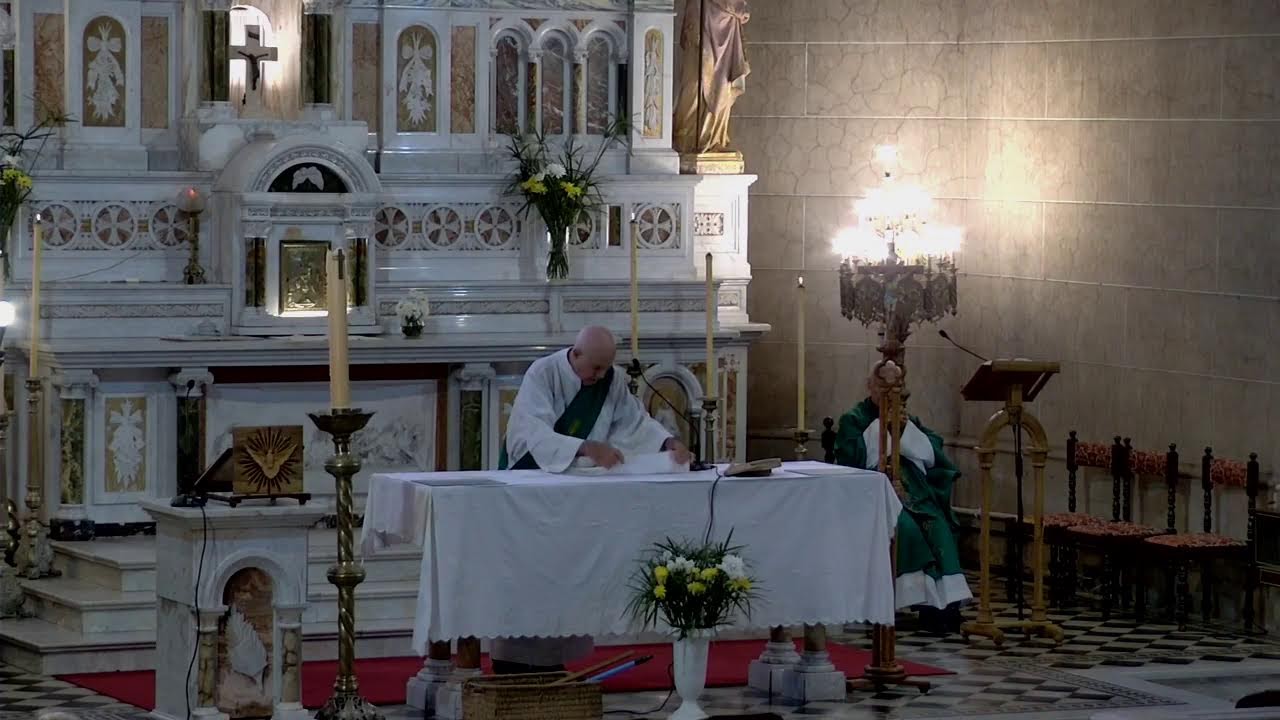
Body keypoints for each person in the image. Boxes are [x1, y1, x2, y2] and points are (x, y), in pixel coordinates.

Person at [492, 325, 693, 673]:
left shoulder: (610, 380)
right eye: (594, 368)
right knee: (530, 576)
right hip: (531, 487)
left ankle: (557, 662)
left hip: (577, 496)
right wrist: (585, 446)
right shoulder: (543, 373)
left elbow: (634, 423)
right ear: (576, 353)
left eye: (605, 368)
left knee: (567, 574)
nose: (599, 376)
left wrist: (667, 443)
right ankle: (516, 663)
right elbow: (530, 432)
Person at [833, 371, 970, 635]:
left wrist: (905, 430)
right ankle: (917, 601)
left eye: (894, 387)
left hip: (916, 493)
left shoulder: (908, 416)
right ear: (870, 385)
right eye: (881, 386)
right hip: (875, 494)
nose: (887, 392)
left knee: (939, 528)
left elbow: (932, 447)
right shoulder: (854, 419)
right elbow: (851, 457)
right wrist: (883, 428)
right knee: (906, 531)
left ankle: (944, 605)